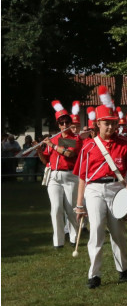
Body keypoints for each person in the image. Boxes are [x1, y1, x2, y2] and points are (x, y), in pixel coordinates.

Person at [74, 86, 127, 289]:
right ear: (98, 124)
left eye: (113, 124)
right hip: (94, 190)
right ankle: (94, 275)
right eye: (106, 124)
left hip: (116, 189)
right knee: (95, 230)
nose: (111, 128)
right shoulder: (88, 147)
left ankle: (123, 268)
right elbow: (82, 178)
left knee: (117, 231)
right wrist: (79, 205)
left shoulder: (124, 143)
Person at [37, 100, 83, 247]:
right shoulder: (54, 138)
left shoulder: (74, 138)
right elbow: (45, 160)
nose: (64, 125)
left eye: (67, 122)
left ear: (70, 123)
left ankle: (74, 237)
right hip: (53, 177)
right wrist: (39, 150)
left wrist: (52, 145)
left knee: (70, 210)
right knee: (56, 209)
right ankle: (58, 242)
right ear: (58, 124)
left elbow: (69, 154)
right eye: (61, 123)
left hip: (70, 176)